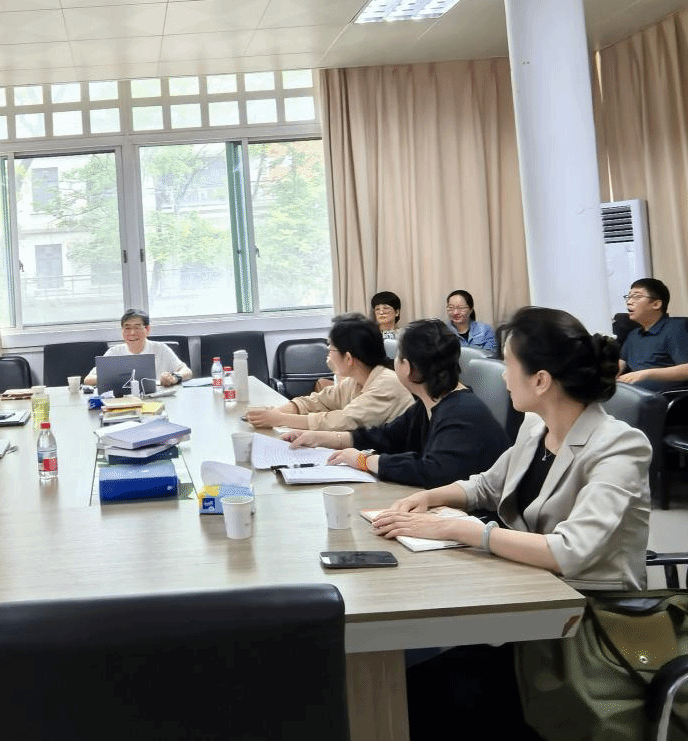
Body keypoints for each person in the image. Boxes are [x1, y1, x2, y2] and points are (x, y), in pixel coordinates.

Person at [370, 307, 651, 738]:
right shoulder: (536, 426)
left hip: (585, 619)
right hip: (528, 596)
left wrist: (460, 529)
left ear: (541, 380)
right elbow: (486, 485)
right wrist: (430, 497)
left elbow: (569, 551)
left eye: (509, 365)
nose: (501, 376)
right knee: (414, 686)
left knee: (427, 699)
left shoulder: (619, 447)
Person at [280, 320, 507, 487]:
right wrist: (320, 438)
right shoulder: (429, 403)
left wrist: (365, 461)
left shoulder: (462, 413)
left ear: (408, 367)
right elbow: (385, 436)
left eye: (397, 357)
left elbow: (432, 470)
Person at [246, 315, 413, 431]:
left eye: (331, 349)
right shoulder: (356, 380)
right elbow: (317, 401)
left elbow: (341, 421)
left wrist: (280, 419)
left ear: (348, 358)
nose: (328, 355)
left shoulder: (386, 384)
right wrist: (277, 412)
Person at [617, 277, 688, 390]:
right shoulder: (633, 334)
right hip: (634, 388)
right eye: (629, 297)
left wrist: (644, 374)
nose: (629, 302)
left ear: (656, 304)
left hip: (663, 392)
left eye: (637, 297)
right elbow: (621, 363)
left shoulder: (675, 329)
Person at [83, 309, 191, 387]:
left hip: (158, 399)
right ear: (122, 331)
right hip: (124, 402)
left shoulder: (160, 349)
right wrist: (115, 378)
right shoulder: (114, 352)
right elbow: (88, 380)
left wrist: (174, 378)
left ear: (147, 329)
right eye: (127, 328)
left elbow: (187, 371)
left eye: (137, 327)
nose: (132, 333)